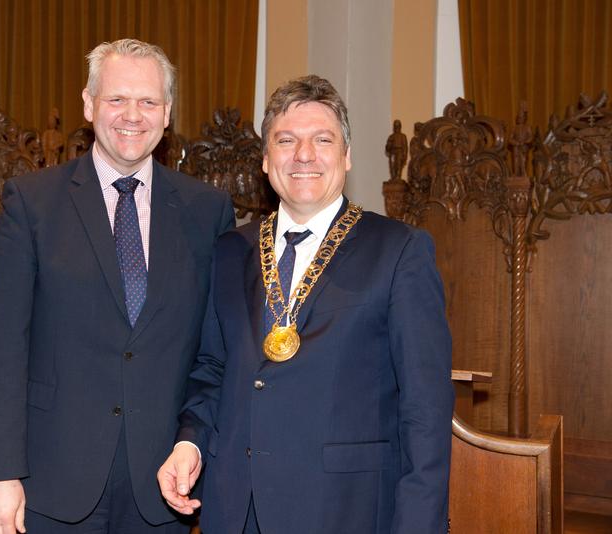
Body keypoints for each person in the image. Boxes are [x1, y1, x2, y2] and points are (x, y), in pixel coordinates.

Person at [158, 75, 453, 534]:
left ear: (347, 155)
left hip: (345, 510)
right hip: (237, 510)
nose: (304, 155)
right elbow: (213, 369)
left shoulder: (398, 251)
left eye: (322, 139)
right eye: (286, 140)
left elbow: (425, 409)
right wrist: (190, 444)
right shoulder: (231, 250)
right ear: (265, 158)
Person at [0, 38, 234, 534]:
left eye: (148, 101)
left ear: (168, 112)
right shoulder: (32, 204)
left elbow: (212, 353)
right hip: (48, 483)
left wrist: (192, 441)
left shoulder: (207, 212)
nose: (132, 115)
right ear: (89, 104)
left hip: (162, 486)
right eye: (116, 99)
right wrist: (0, 473)